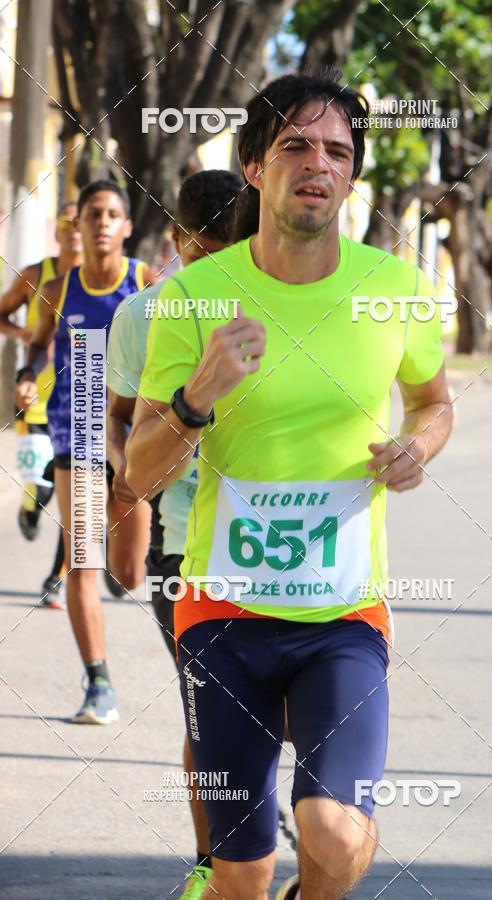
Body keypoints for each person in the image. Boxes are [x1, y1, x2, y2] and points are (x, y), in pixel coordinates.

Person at [126, 72, 453, 900]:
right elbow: (138, 471)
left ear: (351, 175)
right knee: (239, 873)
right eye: (296, 146)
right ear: (253, 165)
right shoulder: (196, 296)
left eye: (337, 152)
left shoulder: (397, 290)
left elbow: (433, 401)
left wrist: (419, 446)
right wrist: (195, 399)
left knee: (333, 834)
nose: (318, 165)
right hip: (222, 616)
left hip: (342, 614)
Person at [106, 170, 241, 898]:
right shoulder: (142, 315)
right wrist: (125, 506)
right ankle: (210, 863)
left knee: (275, 711)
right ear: (178, 241)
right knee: (211, 710)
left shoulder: (276, 304)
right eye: (204, 254)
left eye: (231, 252)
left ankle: (256, 839)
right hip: (185, 548)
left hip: (281, 551)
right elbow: (118, 417)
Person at [14, 180, 153, 724]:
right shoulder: (61, 286)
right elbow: (37, 338)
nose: (100, 222)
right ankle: (98, 682)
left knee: (131, 574)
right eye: (91, 213)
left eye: (111, 214)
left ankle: (124, 563)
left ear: (125, 227)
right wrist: (28, 374)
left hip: (134, 443)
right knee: (82, 561)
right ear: (77, 225)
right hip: (80, 437)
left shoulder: (145, 282)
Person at [0, 203, 82, 607]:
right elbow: (1, 313)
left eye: (80, 220)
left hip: (82, 404)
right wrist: (27, 333)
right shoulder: (36, 276)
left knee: (76, 497)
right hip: (34, 398)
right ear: (59, 230)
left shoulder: (104, 280)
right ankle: (30, 512)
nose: (75, 229)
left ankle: (57, 576)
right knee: (43, 490)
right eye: (67, 221)